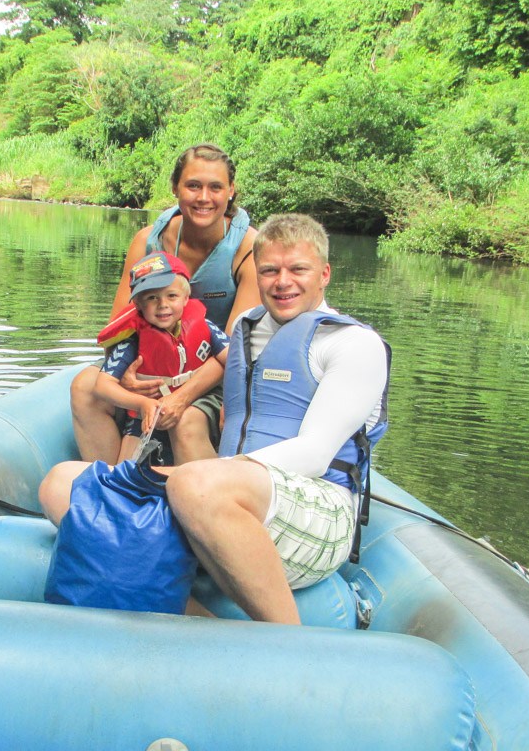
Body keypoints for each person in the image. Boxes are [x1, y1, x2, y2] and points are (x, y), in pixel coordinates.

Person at [163, 213, 389, 624]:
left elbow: (316, 454)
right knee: (66, 484)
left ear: (324, 274)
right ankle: (205, 629)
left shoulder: (353, 344)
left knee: (191, 481)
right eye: (269, 270)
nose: (282, 281)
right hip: (231, 493)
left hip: (321, 506)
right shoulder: (245, 331)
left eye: (297, 269)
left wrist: (199, 476)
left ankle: (286, 642)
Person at [71, 144, 260, 464]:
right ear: (175, 188)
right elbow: (119, 325)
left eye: (215, 187)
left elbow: (234, 351)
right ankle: (107, 484)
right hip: (151, 366)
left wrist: (181, 396)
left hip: (211, 376)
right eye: (193, 186)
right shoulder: (147, 241)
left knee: (186, 417)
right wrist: (128, 377)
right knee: (85, 387)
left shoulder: (248, 247)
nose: (204, 197)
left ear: (230, 191)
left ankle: (194, 492)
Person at [95, 251, 230, 464]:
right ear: (138, 305)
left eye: (171, 296)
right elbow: (102, 386)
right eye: (152, 298)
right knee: (125, 470)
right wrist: (141, 404)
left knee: (188, 427)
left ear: (186, 298)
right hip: (145, 415)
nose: (162, 304)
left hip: (195, 403)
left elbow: (233, 360)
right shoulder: (133, 340)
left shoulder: (205, 327)